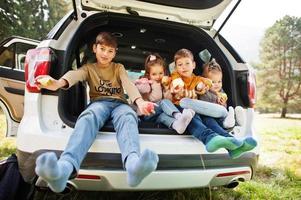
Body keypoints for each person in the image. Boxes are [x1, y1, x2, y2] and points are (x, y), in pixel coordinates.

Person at [34, 32, 159, 193]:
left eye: (110, 51)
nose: (105, 54)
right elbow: (75, 75)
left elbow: (128, 84)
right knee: (88, 116)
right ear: (95, 48)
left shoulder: (118, 67)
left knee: (128, 116)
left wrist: (139, 102)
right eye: (102, 49)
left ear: (115, 53)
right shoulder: (89, 68)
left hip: (120, 103)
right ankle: (64, 169)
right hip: (99, 103)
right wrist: (57, 83)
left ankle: (133, 166)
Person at [171, 48, 257, 158]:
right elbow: (171, 88)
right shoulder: (174, 78)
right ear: (175, 67)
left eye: (187, 63)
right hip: (183, 109)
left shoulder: (197, 79)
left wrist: (206, 88)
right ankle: (210, 139)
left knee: (209, 120)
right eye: (180, 64)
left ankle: (233, 145)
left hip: (202, 112)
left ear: (193, 65)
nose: (184, 67)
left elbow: (202, 86)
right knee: (194, 117)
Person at [134, 53, 195, 134]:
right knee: (163, 102)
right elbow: (156, 98)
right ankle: (179, 116)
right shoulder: (146, 85)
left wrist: (166, 89)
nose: (158, 77)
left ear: (164, 72)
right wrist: (156, 84)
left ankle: (177, 125)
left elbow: (170, 100)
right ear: (149, 75)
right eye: (154, 74)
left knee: (163, 117)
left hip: (157, 115)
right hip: (147, 114)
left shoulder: (166, 82)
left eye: (160, 73)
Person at [182, 58, 245, 129]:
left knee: (224, 116)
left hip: (220, 115)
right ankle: (227, 124)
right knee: (210, 121)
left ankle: (235, 120)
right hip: (207, 115)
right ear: (206, 81)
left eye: (219, 81)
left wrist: (223, 103)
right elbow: (200, 102)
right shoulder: (204, 90)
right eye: (213, 82)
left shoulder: (221, 91)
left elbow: (223, 106)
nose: (217, 85)